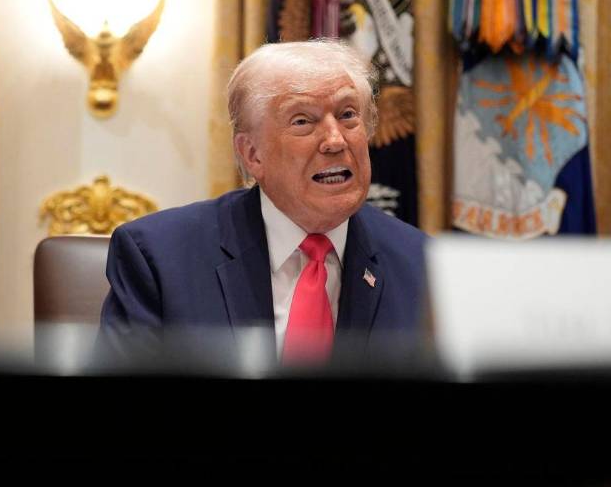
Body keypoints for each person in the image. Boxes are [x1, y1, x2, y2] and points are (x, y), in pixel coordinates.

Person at [99, 40, 428, 364]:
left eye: (347, 115)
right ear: (252, 154)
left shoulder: (425, 267)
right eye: (303, 121)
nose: (335, 140)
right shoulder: (158, 258)